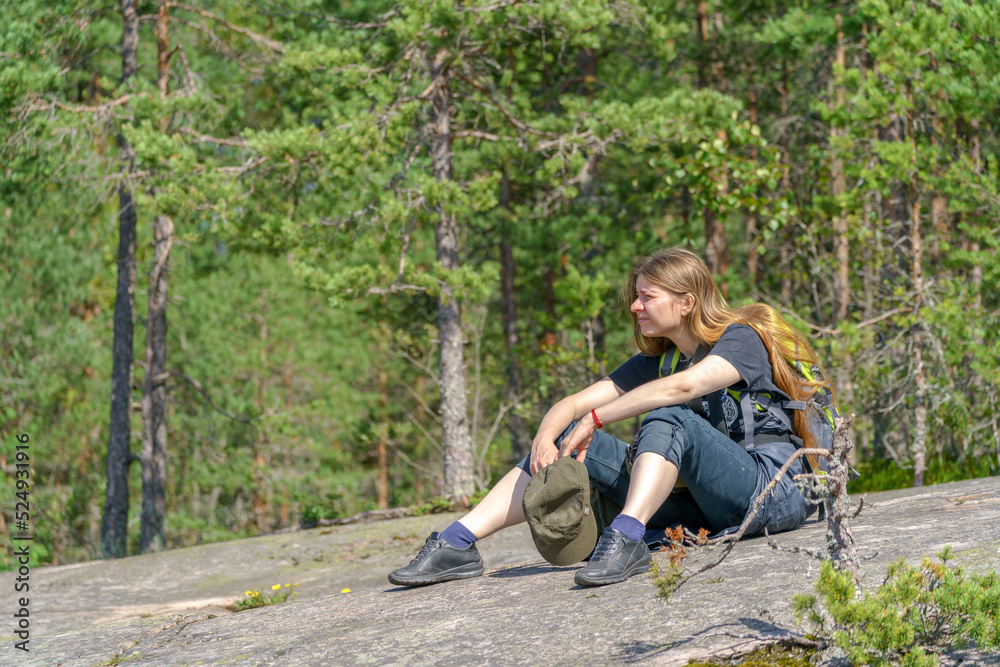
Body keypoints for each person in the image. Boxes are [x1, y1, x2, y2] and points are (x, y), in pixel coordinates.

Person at [388, 247, 834, 587]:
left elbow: (686, 388)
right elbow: (573, 403)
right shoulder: (659, 361)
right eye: (636, 297)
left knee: (669, 417)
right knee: (568, 437)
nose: (635, 307)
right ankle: (457, 543)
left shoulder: (740, 339)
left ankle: (627, 537)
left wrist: (598, 419)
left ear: (686, 301)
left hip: (772, 491)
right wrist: (548, 437)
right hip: (705, 508)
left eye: (647, 297)